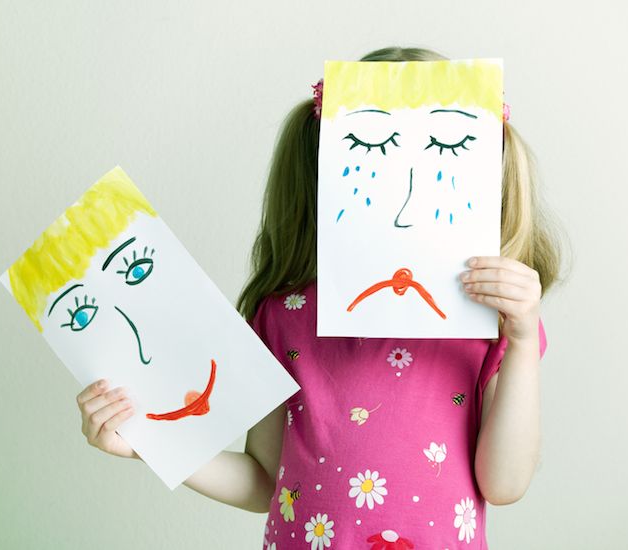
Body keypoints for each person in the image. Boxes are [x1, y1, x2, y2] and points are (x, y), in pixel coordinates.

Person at [75, 46, 564, 549]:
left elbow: (504, 484)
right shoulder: (282, 314)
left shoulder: (491, 321)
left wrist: (523, 339)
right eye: (373, 150)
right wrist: (150, 442)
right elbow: (265, 480)